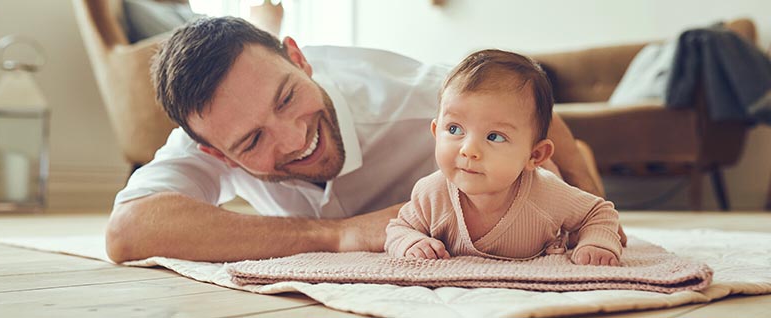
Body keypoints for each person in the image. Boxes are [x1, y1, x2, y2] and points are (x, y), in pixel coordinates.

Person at [105, 16, 624, 263]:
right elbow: (128, 231)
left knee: (548, 186)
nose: (294, 138)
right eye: (253, 140)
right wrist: (335, 235)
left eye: (287, 97)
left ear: (299, 59)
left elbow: (531, 114)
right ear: (216, 153)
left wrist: (587, 188)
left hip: (510, 181)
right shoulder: (210, 131)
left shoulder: (417, 99)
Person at [384, 50, 621, 265]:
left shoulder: (548, 194)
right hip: (526, 166)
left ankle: (577, 156)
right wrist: (411, 242)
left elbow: (598, 212)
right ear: (436, 132)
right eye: (455, 129)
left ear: (535, 154)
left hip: (543, 176)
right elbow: (398, 228)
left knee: (562, 186)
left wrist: (596, 243)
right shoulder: (431, 193)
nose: (468, 150)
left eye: (494, 136)